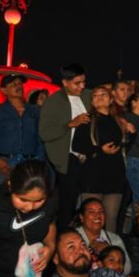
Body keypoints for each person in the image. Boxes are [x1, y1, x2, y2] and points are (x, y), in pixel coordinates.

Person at [38, 63, 92, 230]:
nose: (82, 86)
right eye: (77, 83)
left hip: (90, 157)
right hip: (68, 159)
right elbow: (44, 134)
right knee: (67, 202)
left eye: (84, 82)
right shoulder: (53, 102)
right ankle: (62, 237)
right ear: (65, 82)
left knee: (89, 201)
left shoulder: (89, 96)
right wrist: (70, 124)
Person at [72, 85, 130, 232]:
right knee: (92, 220)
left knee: (110, 219)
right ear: (92, 102)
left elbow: (125, 146)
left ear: (111, 99)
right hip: (93, 174)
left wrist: (132, 134)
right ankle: (90, 252)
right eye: (95, 95)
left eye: (103, 94)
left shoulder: (118, 121)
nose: (99, 97)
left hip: (115, 174)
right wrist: (100, 149)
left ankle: (109, 252)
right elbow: (77, 145)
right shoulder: (86, 120)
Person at [0, 73, 46, 185]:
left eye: (20, 83)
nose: (18, 86)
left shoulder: (35, 111)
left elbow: (42, 138)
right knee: (0, 199)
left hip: (30, 164)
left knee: (28, 198)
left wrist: (38, 160)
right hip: (5, 164)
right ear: (4, 90)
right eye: (13, 84)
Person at [73, 198, 133, 273]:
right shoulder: (72, 237)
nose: (97, 215)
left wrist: (108, 250)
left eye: (101, 212)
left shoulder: (114, 238)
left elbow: (127, 268)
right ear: (82, 218)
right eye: (91, 212)